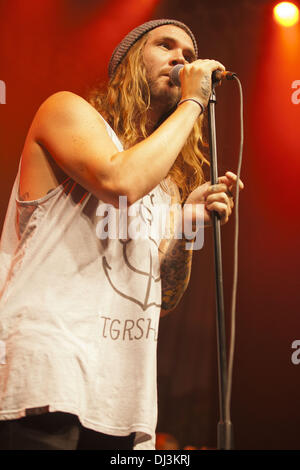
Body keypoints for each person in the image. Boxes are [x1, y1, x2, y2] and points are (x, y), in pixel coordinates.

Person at [0, 19, 244, 450]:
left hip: (122, 402)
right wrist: (193, 101)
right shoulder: (65, 110)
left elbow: (161, 298)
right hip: (44, 378)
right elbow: (120, 181)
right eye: (165, 46)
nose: (182, 59)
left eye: (189, 55)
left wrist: (185, 226)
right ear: (129, 63)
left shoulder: (164, 184)